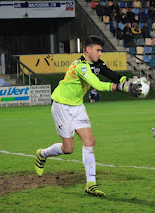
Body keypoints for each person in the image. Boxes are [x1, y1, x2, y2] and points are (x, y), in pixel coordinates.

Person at [34, 35, 142, 197]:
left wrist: (128, 81)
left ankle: (91, 183)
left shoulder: (97, 64)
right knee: (68, 149)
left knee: (90, 141)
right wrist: (123, 88)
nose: (100, 53)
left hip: (77, 106)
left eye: (101, 50)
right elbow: (97, 85)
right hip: (61, 106)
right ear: (88, 49)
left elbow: (110, 74)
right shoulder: (80, 66)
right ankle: (42, 154)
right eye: (98, 50)